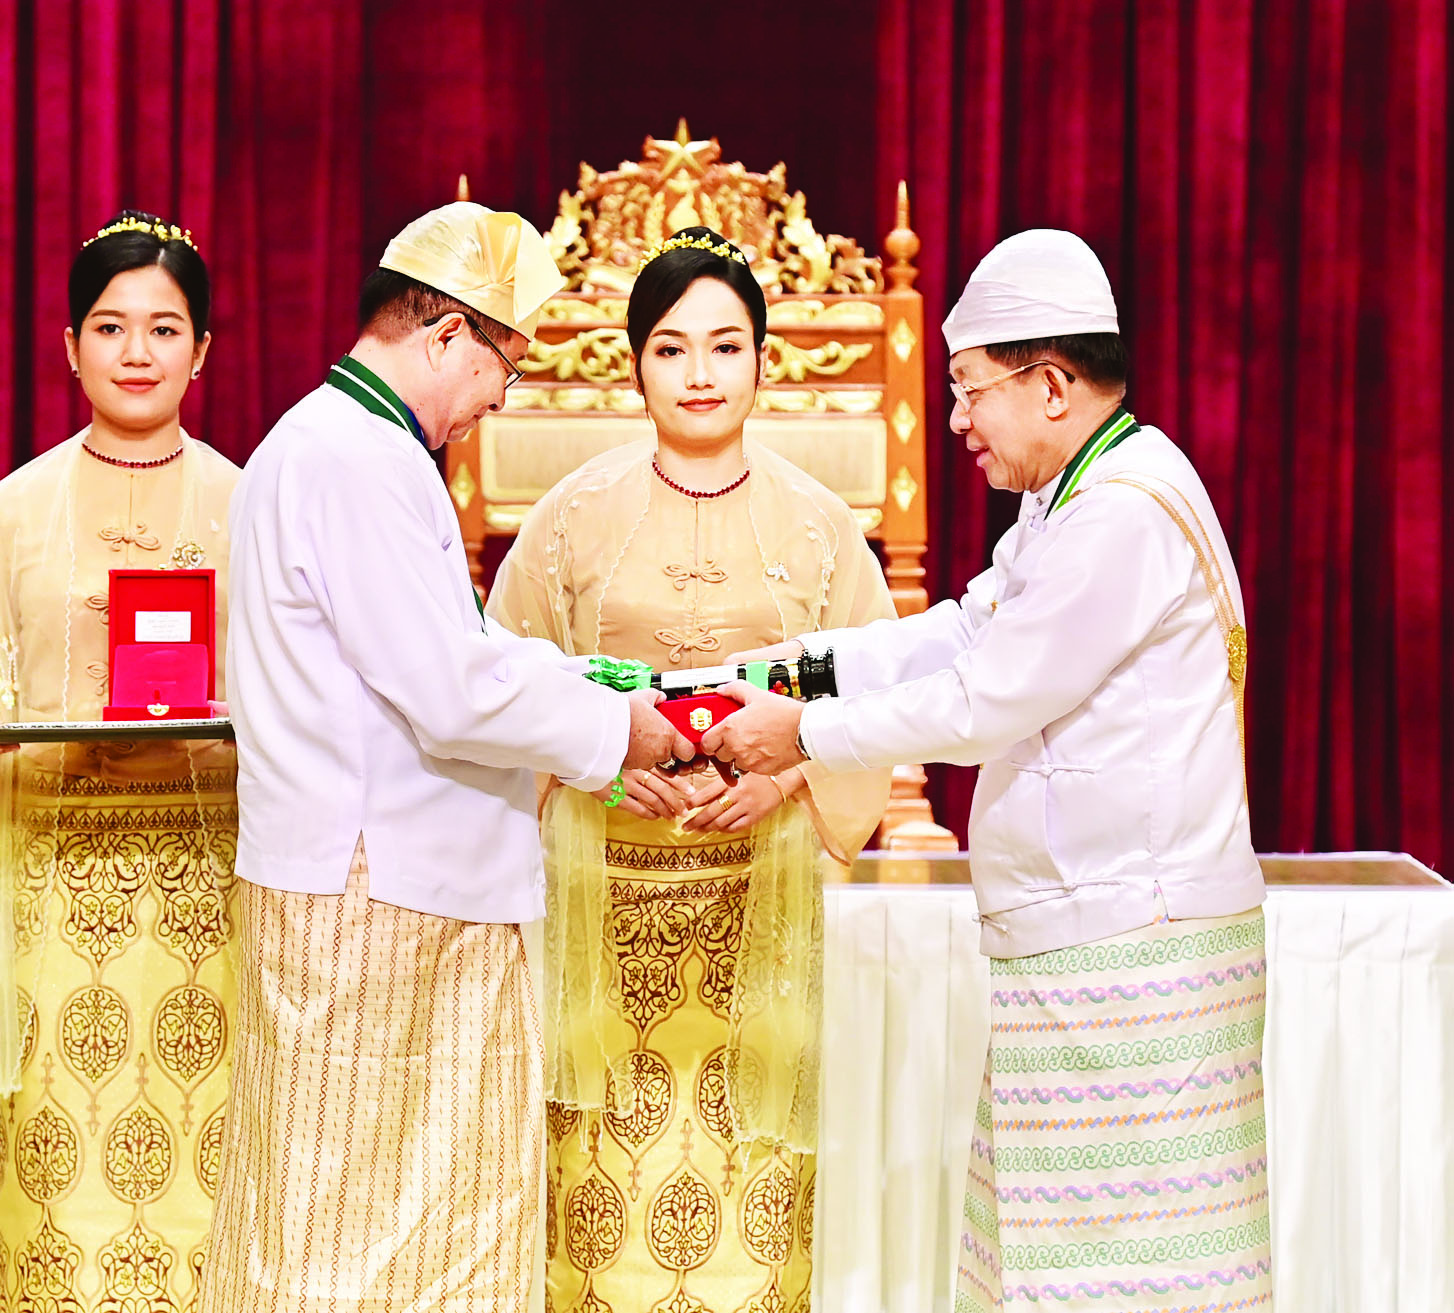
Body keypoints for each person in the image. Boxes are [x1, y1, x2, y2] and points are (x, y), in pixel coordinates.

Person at [705, 230, 1273, 1312]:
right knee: (1047, 1264)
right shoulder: (1072, 495)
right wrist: (786, 667)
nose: (957, 419)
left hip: (1133, 951)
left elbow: (984, 700)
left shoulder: (1121, 511)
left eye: (970, 389)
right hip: (1088, 942)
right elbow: (962, 631)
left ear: (1050, 385)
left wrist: (805, 734)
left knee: (1124, 1280)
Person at [198, 201, 689, 1313]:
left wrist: (585, 685)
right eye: (504, 366)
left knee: (351, 1217)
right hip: (380, 897)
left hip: (371, 885)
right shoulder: (358, 459)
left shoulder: (334, 442)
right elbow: (447, 690)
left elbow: (447, 651)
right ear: (448, 334)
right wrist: (618, 731)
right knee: (359, 1236)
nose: (498, 399)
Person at [486, 226, 894, 1313]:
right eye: (671, 348)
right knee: (602, 1179)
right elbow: (506, 680)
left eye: (725, 346)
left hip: (760, 894)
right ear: (635, 366)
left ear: (764, 360)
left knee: (752, 1167)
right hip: (601, 890)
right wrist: (598, 761)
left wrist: (788, 775)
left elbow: (874, 692)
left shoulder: (820, 524)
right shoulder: (570, 516)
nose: (700, 373)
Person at [0, 211, 240, 1310]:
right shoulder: (16, 508)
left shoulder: (250, 505)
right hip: (46, 897)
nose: (136, 352)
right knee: (52, 1177)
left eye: (164, 327)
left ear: (203, 349)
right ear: (68, 346)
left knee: (205, 1170)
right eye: (110, 326)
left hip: (211, 904)